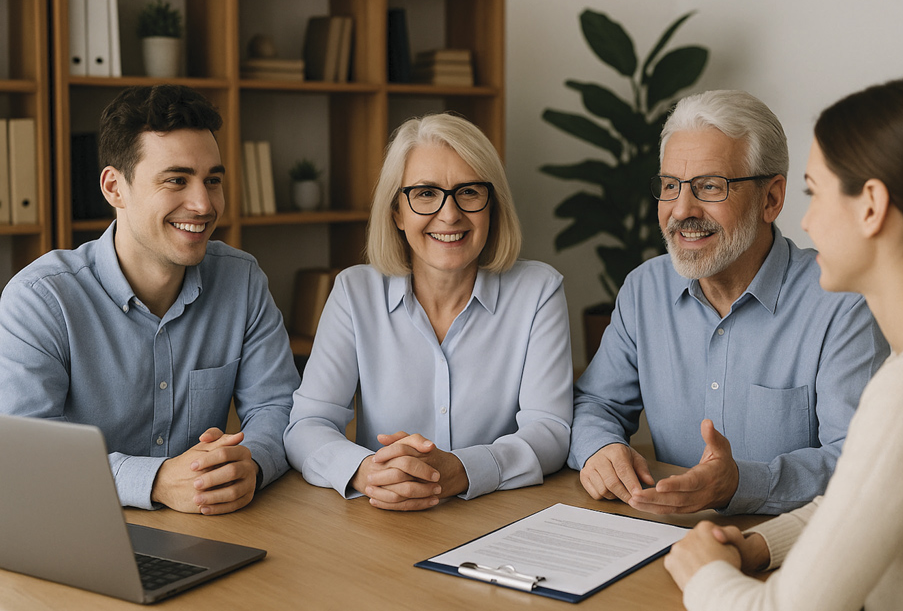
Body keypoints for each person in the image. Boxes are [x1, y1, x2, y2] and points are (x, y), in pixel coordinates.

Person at [663, 76, 903, 611]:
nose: (806, 220)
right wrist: (757, 546)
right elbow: (866, 500)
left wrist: (703, 573)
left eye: (814, 193)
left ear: (870, 206)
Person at [569, 90, 889, 516]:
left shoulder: (841, 304)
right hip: (663, 537)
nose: (682, 209)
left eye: (709, 186)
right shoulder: (644, 289)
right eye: (670, 186)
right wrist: (600, 448)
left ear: (771, 199)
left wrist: (743, 484)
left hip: (787, 550)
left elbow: (859, 461)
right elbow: (596, 403)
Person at [0, 85, 299, 515]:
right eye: (176, 180)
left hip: (207, 529)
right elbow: (27, 452)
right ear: (114, 188)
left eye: (212, 180)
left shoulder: (242, 280)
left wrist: (249, 462)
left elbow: (278, 407)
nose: (203, 204)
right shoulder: (40, 301)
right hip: (78, 528)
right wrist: (155, 482)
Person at [283, 113, 573, 511]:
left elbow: (550, 430)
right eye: (424, 193)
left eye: (468, 192)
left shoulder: (538, 291)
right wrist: (367, 471)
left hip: (499, 519)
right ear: (398, 213)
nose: (449, 214)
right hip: (383, 520)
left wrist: (461, 470)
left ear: (493, 206)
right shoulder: (355, 292)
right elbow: (306, 425)